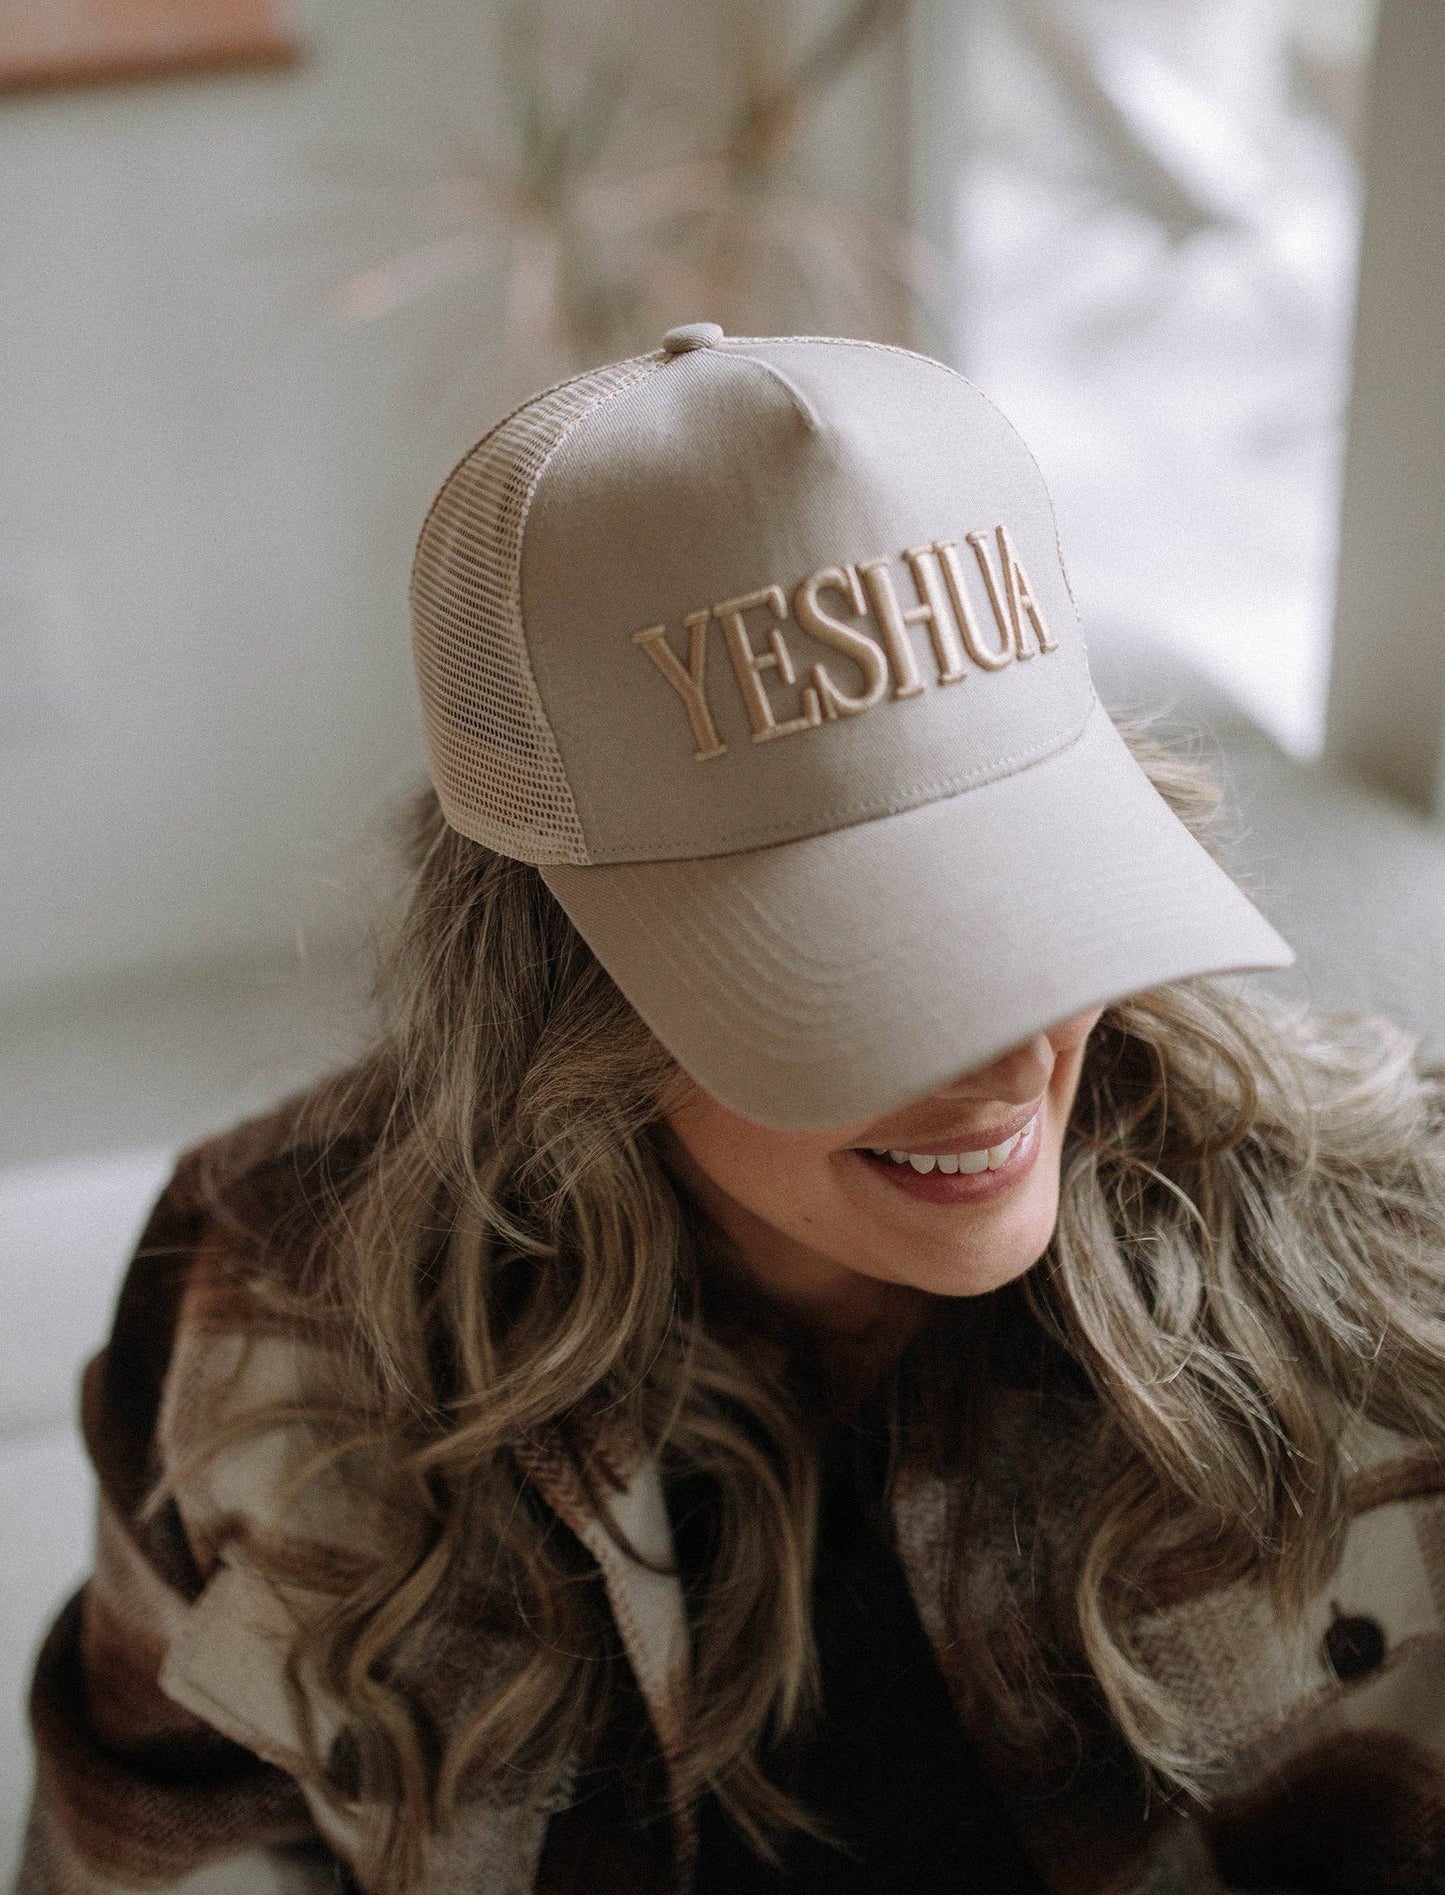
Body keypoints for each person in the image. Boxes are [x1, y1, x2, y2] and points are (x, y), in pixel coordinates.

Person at [18, 326, 1445, 1895]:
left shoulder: (1399, 1260)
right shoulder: (257, 1292)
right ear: (552, 983)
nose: (1007, 1061)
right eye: (860, 967)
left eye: (1041, 899)